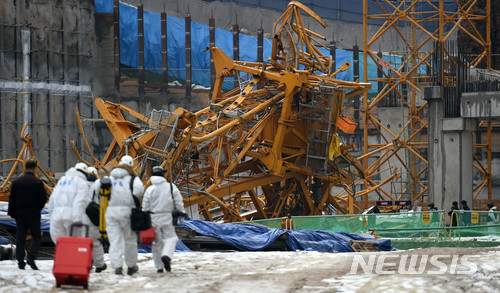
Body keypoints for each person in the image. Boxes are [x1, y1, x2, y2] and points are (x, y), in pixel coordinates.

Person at [93, 155, 144, 276]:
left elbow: (96, 187)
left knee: (114, 240)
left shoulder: (109, 178)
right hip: (127, 211)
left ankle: (117, 266)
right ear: (131, 166)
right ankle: (131, 266)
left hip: (111, 212)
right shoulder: (133, 179)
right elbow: (139, 191)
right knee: (130, 240)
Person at [143, 166, 187, 273]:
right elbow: (178, 201)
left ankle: (159, 267)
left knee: (156, 243)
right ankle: (166, 255)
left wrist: (146, 218)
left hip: (153, 217)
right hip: (167, 216)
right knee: (171, 238)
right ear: (163, 175)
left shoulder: (150, 189)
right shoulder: (171, 187)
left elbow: (145, 207)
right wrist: (182, 212)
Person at [8, 159, 48, 270]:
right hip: (33, 215)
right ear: (35, 169)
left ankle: (21, 262)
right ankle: (31, 258)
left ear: (25, 168)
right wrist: (37, 209)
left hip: (20, 215)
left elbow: (12, 200)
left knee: (20, 238)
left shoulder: (16, 182)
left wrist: (12, 213)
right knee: (37, 236)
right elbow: (43, 199)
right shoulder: (38, 182)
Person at [72, 166, 107, 273]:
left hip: (80, 217)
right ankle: (99, 264)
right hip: (93, 217)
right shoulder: (97, 186)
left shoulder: (79, 186)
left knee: (82, 242)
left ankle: (85, 263)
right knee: (96, 242)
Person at [48, 162, 89, 244]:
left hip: (57, 216)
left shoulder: (62, 181)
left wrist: (52, 215)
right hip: (71, 216)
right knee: (74, 244)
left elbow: (52, 199)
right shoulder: (81, 182)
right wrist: (77, 219)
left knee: (61, 245)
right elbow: (80, 201)